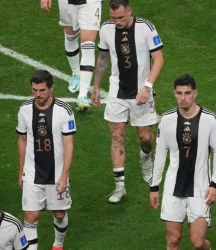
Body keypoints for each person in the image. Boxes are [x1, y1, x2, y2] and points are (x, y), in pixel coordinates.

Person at [90, 0, 164, 203]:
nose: (117, 22)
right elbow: (103, 57)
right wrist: (96, 85)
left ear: (129, 11)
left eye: (121, 17)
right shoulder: (106, 29)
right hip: (117, 91)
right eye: (113, 18)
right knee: (116, 135)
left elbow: (158, 59)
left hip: (141, 92)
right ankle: (119, 186)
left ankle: (145, 156)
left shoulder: (146, 28)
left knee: (146, 138)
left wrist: (147, 87)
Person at [149, 74, 216, 250]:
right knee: (173, 240)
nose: (183, 98)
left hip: (201, 188)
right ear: (174, 93)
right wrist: (154, 186)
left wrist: (215, 184)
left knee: (198, 243)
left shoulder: (210, 119)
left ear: (195, 93)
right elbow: (159, 154)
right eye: (179, 93)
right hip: (172, 188)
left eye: (187, 93)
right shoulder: (167, 120)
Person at [16, 70, 76, 250]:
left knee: (59, 214)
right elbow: (22, 139)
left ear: (51, 88)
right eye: (34, 90)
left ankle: (58, 245)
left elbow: (69, 145)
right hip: (33, 172)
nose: (38, 95)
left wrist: (64, 175)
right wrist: (21, 171)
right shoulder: (24, 109)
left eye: (42, 90)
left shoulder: (64, 110)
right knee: (31, 216)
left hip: (56, 173)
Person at [40, 0, 102, 110]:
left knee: (88, 46)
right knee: (70, 38)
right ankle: (76, 74)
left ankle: (83, 95)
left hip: (91, 2)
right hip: (66, 2)